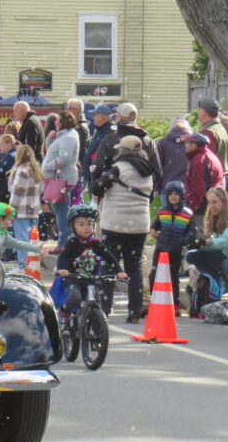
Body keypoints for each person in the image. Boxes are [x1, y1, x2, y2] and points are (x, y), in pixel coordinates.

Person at [98, 134, 156, 323]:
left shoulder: (117, 169)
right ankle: (134, 311)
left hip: (114, 225)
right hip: (139, 226)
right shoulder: (148, 171)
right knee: (135, 268)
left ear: (121, 150)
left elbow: (97, 188)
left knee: (109, 267)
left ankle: (105, 309)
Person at [56, 206, 126, 319]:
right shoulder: (72, 242)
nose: (86, 228)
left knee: (97, 301)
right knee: (75, 298)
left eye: (89, 224)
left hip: (92, 278)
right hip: (74, 278)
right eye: (81, 224)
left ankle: (98, 324)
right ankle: (64, 312)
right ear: (73, 226)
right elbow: (63, 256)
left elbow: (109, 257)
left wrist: (119, 271)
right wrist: (62, 269)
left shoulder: (96, 243)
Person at [92, 103, 162, 197]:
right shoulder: (148, 142)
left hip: (113, 194)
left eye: (116, 116)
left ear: (120, 118)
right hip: (141, 196)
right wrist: (149, 193)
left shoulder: (109, 140)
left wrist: (97, 189)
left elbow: (97, 167)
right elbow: (157, 172)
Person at [148, 181, 195, 313]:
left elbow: (191, 233)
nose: (173, 197)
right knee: (154, 274)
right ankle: (155, 301)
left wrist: (182, 241)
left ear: (181, 196)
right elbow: (156, 224)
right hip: (161, 248)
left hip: (175, 250)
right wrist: (153, 229)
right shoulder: (162, 211)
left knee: (173, 278)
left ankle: (174, 305)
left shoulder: (187, 214)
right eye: (170, 194)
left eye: (176, 194)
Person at [185, 187, 228, 314]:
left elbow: (224, 242)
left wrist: (206, 243)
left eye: (215, 202)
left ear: (224, 202)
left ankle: (218, 282)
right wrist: (197, 244)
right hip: (221, 255)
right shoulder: (212, 219)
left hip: (224, 256)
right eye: (209, 202)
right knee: (191, 255)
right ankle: (214, 282)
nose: (211, 206)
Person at [42, 111, 80, 251]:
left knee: (61, 211)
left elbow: (64, 159)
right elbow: (52, 151)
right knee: (58, 210)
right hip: (57, 179)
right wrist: (49, 140)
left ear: (63, 122)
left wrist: (48, 166)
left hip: (60, 179)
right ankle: (64, 241)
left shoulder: (68, 137)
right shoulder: (64, 136)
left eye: (57, 120)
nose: (55, 122)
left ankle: (65, 243)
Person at [8, 145, 45, 270]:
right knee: (32, 238)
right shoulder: (36, 171)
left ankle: (23, 265)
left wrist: (10, 209)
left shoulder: (22, 171)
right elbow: (41, 190)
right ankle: (32, 263)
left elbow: (17, 192)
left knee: (21, 238)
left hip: (21, 210)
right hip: (33, 209)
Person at [183, 132, 223, 218]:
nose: (185, 145)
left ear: (194, 145)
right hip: (212, 203)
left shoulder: (199, 161)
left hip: (203, 208)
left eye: (187, 143)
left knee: (200, 231)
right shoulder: (208, 155)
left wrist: (192, 209)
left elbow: (198, 189)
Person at [157, 116, 192, 193]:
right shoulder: (192, 142)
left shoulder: (162, 143)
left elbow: (158, 167)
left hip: (167, 187)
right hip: (187, 187)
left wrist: (158, 188)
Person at [84, 105, 115, 189]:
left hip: (99, 177)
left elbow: (101, 155)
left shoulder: (109, 132)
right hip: (91, 175)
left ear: (102, 117)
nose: (92, 117)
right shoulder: (98, 130)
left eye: (94, 115)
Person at [197, 97, 228, 170]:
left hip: (211, 177)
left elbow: (205, 159)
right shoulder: (221, 128)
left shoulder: (208, 133)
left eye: (199, 109)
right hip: (221, 174)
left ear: (203, 112)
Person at [0, 134, 17, 203]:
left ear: (9, 144)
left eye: (1, 143)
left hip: (4, 189)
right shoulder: (15, 154)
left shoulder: (10, 156)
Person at [66, 99, 90, 166]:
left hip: (75, 165)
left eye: (69, 108)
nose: (67, 111)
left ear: (77, 110)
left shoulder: (81, 127)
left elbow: (80, 150)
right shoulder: (75, 124)